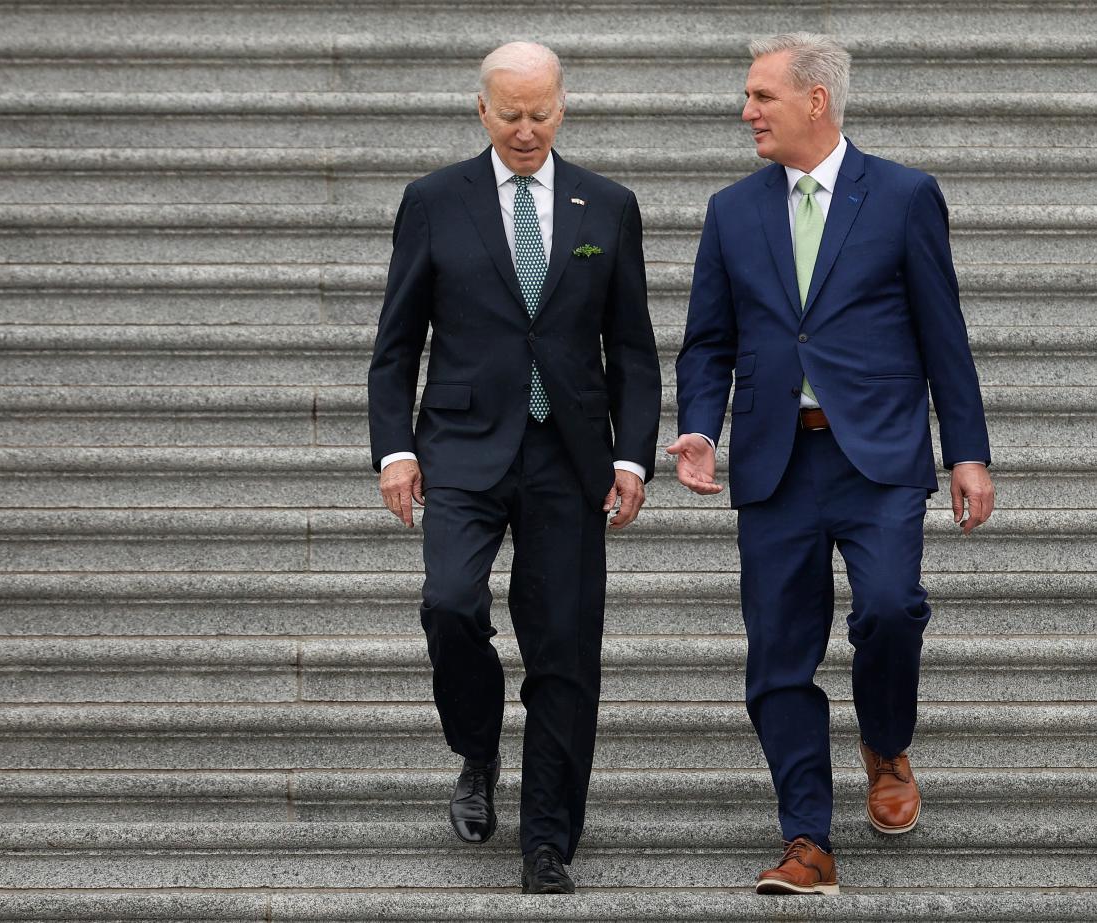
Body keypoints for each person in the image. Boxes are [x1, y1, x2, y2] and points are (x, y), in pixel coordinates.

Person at [668, 32, 995, 895]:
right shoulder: (732, 210)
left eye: (760, 97)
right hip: (776, 463)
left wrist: (966, 449)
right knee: (778, 654)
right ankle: (807, 836)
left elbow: (943, 334)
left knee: (890, 609)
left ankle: (885, 741)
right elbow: (707, 342)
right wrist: (700, 425)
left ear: (816, 100)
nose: (746, 113)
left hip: (877, 455)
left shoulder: (902, 196)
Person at [367, 41, 660, 894]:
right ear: (482, 111)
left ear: (562, 107)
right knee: (450, 604)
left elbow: (633, 351)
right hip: (460, 444)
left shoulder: (606, 205)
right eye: (510, 115)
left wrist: (633, 454)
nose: (526, 131)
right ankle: (479, 743)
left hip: (570, 453)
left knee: (565, 644)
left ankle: (547, 839)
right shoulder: (433, 201)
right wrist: (396, 447)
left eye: (541, 114)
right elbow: (396, 344)